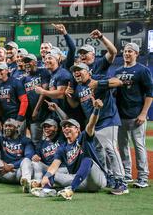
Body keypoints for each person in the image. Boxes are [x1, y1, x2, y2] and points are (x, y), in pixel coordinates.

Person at [66, 63, 127, 195]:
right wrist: (67, 95)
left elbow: (118, 82)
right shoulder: (79, 87)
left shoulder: (97, 78)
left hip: (108, 119)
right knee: (99, 152)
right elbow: (75, 104)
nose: (76, 72)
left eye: (79, 70)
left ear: (88, 72)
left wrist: (99, 84)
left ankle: (122, 181)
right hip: (95, 123)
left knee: (110, 149)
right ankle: (110, 178)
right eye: (74, 71)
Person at [31, 99, 108, 200]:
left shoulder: (84, 137)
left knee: (87, 160)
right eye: (64, 127)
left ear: (77, 129)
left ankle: (71, 189)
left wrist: (96, 109)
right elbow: (54, 165)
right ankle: (47, 190)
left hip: (96, 179)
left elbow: (91, 124)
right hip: (80, 181)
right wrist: (46, 176)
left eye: (69, 126)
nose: (66, 128)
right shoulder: (62, 148)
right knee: (53, 174)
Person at [114, 42, 153, 188]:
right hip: (120, 115)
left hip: (136, 115)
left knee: (139, 146)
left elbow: (150, 93)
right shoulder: (117, 71)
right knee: (123, 146)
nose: (127, 53)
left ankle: (143, 177)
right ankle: (127, 174)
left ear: (136, 54)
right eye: (125, 51)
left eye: (130, 51)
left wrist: (144, 113)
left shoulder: (142, 70)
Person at [20, 54, 51, 145]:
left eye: (29, 61)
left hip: (45, 113)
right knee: (35, 141)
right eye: (25, 62)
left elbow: (44, 91)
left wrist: (36, 109)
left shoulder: (43, 72)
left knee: (48, 140)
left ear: (35, 62)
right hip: (32, 117)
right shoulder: (24, 78)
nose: (26, 64)